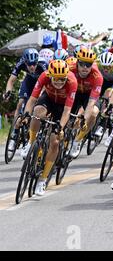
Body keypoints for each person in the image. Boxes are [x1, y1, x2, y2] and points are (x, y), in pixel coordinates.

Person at [20, 60, 78, 195]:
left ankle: (43, 179)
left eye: (62, 79)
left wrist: (61, 127)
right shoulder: (44, 76)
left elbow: (67, 111)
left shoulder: (72, 82)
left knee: (55, 141)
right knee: (36, 113)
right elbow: (33, 99)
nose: (58, 82)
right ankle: (31, 143)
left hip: (62, 107)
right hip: (49, 99)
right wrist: (26, 115)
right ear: (50, 75)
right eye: (55, 79)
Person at [3, 48, 47, 152]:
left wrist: (40, 95)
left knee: (35, 105)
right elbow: (11, 80)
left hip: (40, 84)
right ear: (25, 62)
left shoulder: (43, 65)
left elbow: (47, 84)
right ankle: (14, 133)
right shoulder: (21, 62)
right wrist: (8, 92)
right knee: (20, 103)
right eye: (29, 64)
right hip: (28, 82)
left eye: (34, 64)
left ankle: (30, 130)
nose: (32, 67)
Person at [68, 48, 104, 158]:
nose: (85, 67)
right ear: (77, 62)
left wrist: (85, 118)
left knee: (93, 113)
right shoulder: (69, 68)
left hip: (88, 96)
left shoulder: (97, 76)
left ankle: (78, 140)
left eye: (88, 65)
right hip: (73, 93)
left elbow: (91, 102)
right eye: (82, 64)